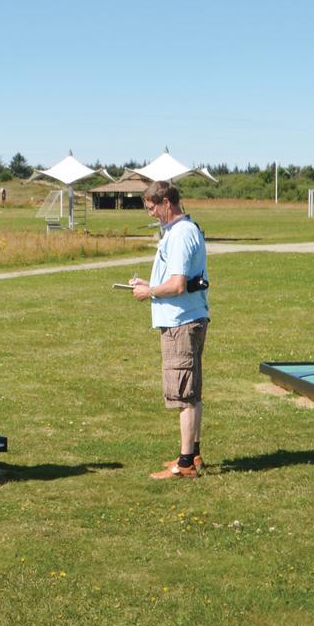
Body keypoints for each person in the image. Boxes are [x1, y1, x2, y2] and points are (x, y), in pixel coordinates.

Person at [129, 181, 211, 478]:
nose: (151, 214)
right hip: (188, 318)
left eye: (152, 208)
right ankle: (193, 454)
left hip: (181, 323)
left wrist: (149, 291)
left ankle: (185, 464)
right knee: (192, 391)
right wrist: (149, 284)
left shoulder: (179, 234)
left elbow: (177, 285)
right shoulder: (184, 230)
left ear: (167, 203)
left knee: (183, 394)